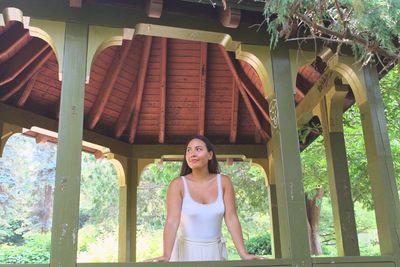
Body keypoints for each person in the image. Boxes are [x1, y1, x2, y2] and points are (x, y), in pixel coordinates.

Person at [146, 135, 264, 262]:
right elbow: (171, 221)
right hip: (186, 254)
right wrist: (166, 256)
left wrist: (244, 254)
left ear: (210, 155)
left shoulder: (224, 182)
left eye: (198, 149)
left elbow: (231, 218)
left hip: (216, 253)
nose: (192, 154)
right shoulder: (178, 184)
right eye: (188, 150)